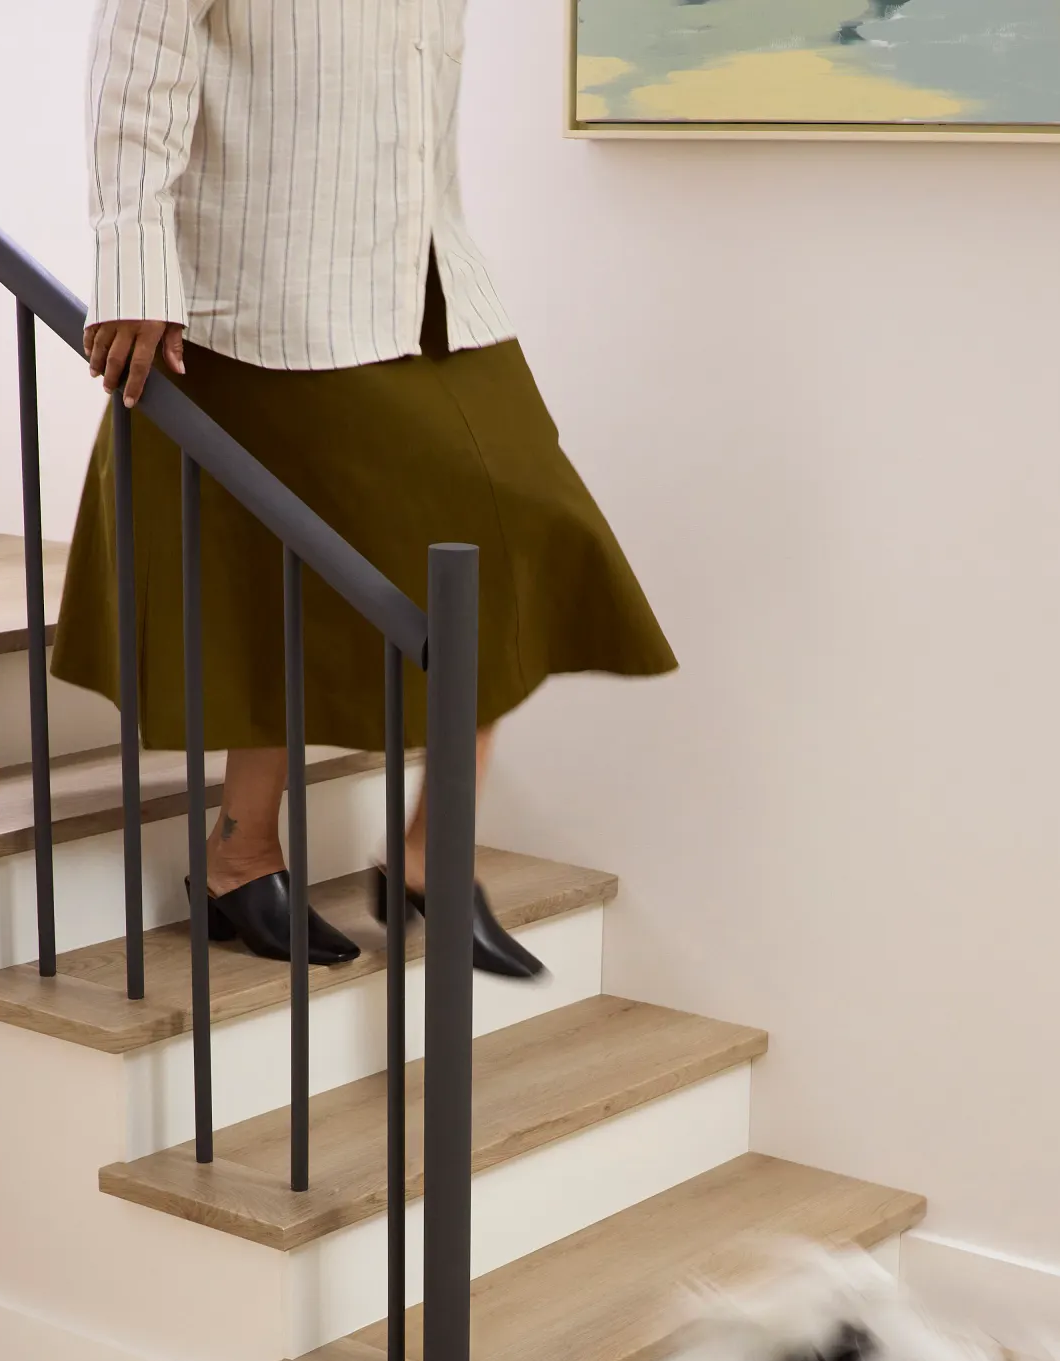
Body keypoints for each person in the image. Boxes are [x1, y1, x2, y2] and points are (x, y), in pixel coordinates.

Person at [53, 0, 674, 976]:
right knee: (278, 560)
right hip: (264, 282)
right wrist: (131, 262)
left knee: (517, 537)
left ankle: (422, 854)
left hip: (427, 277)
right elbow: (139, 56)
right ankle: (247, 851)